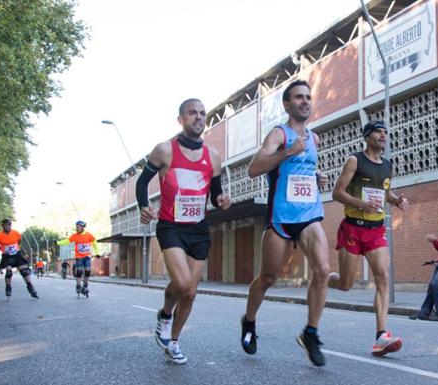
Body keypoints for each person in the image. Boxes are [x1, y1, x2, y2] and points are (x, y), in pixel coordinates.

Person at [240, 80, 330, 367]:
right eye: (298, 98)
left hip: (308, 215)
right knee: (268, 278)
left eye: (308, 97)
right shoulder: (280, 134)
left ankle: (311, 333)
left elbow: (300, 173)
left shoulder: (314, 139)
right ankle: (249, 322)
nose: (305, 101)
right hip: (280, 218)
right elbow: (254, 169)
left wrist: (316, 179)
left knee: (323, 270)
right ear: (287, 105)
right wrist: (287, 152)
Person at [137, 98, 231, 365]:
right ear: (181, 119)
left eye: (202, 114)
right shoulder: (165, 150)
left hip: (199, 228)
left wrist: (222, 200)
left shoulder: (213, 157)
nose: (199, 117)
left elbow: (215, 194)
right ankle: (165, 314)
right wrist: (144, 207)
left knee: (190, 293)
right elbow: (143, 182)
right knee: (182, 283)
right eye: (192, 113)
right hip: (171, 226)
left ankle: (174, 341)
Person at [328, 120, 408, 356]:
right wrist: (361, 203)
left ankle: (381, 336)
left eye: (385, 132)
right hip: (353, 228)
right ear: (367, 136)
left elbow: (385, 192)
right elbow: (337, 192)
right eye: (378, 132)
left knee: (383, 277)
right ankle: (322, 278)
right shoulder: (354, 160)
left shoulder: (387, 165)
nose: (383, 135)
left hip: (375, 229)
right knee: (345, 283)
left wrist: (397, 200)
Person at [0, 219, 39, 298]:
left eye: (9, 225)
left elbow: (19, 240)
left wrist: (16, 247)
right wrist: (2, 249)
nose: (8, 227)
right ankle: (8, 288)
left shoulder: (15, 233)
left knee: (24, 271)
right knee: (9, 272)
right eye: (6, 225)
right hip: (7, 256)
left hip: (17, 254)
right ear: (3, 226)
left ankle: (30, 287)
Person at [57, 220, 100, 296]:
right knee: (79, 271)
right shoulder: (75, 236)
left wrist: (97, 253)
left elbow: (95, 243)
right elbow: (67, 241)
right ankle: (78, 285)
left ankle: (85, 286)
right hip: (79, 257)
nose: (76, 228)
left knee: (88, 271)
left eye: (78, 227)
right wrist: (58, 243)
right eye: (76, 227)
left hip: (87, 256)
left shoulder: (89, 235)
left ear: (83, 227)